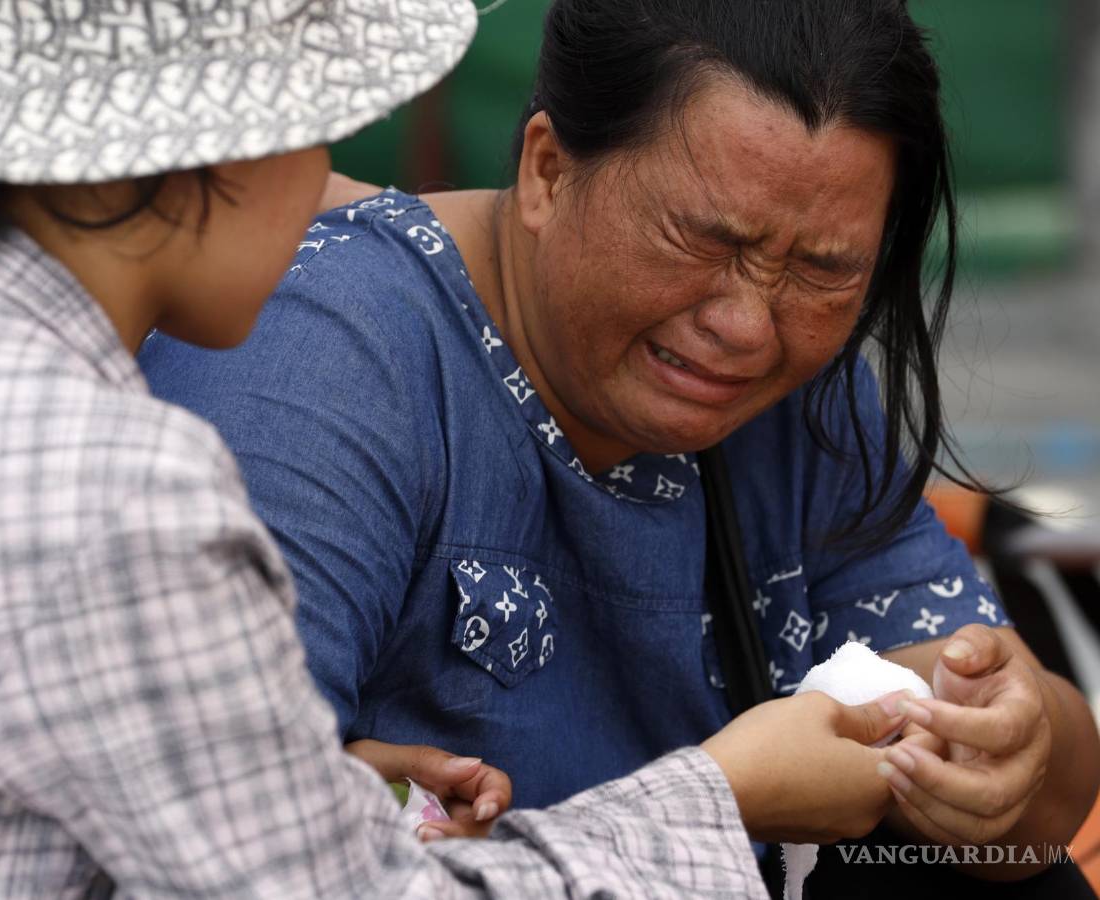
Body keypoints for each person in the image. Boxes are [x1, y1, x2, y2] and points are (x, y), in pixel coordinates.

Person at [141, 0, 1100, 884]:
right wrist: (719, 800)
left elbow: (1040, 829)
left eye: (823, 268)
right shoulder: (327, 360)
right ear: (548, 171)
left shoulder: (803, 398)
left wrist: (1010, 745)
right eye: (702, 240)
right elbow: (211, 849)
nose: (747, 327)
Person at [0, 1, 783, 896]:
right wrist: (717, 794)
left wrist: (310, 791)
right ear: (218, 152)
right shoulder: (121, 490)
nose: (326, 186)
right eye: (314, 139)